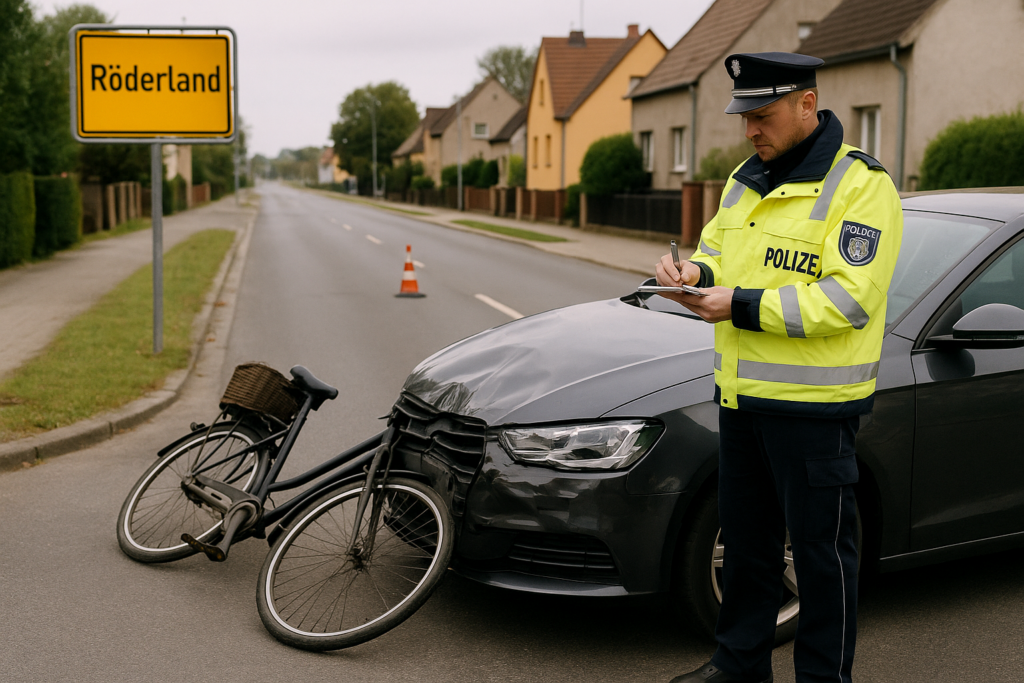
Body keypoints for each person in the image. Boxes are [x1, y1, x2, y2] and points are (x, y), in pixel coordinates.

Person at [658, 53, 903, 683]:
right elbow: (717, 253)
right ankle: (738, 667)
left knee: (823, 561)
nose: (750, 131)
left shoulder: (861, 186)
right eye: (744, 118)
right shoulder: (745, 179)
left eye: (761, 116)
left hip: (815, 412)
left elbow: (847, 301)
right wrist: (693, 275)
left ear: (806, 104)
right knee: (747, 550)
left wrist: (735, 304)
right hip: (742, 402)